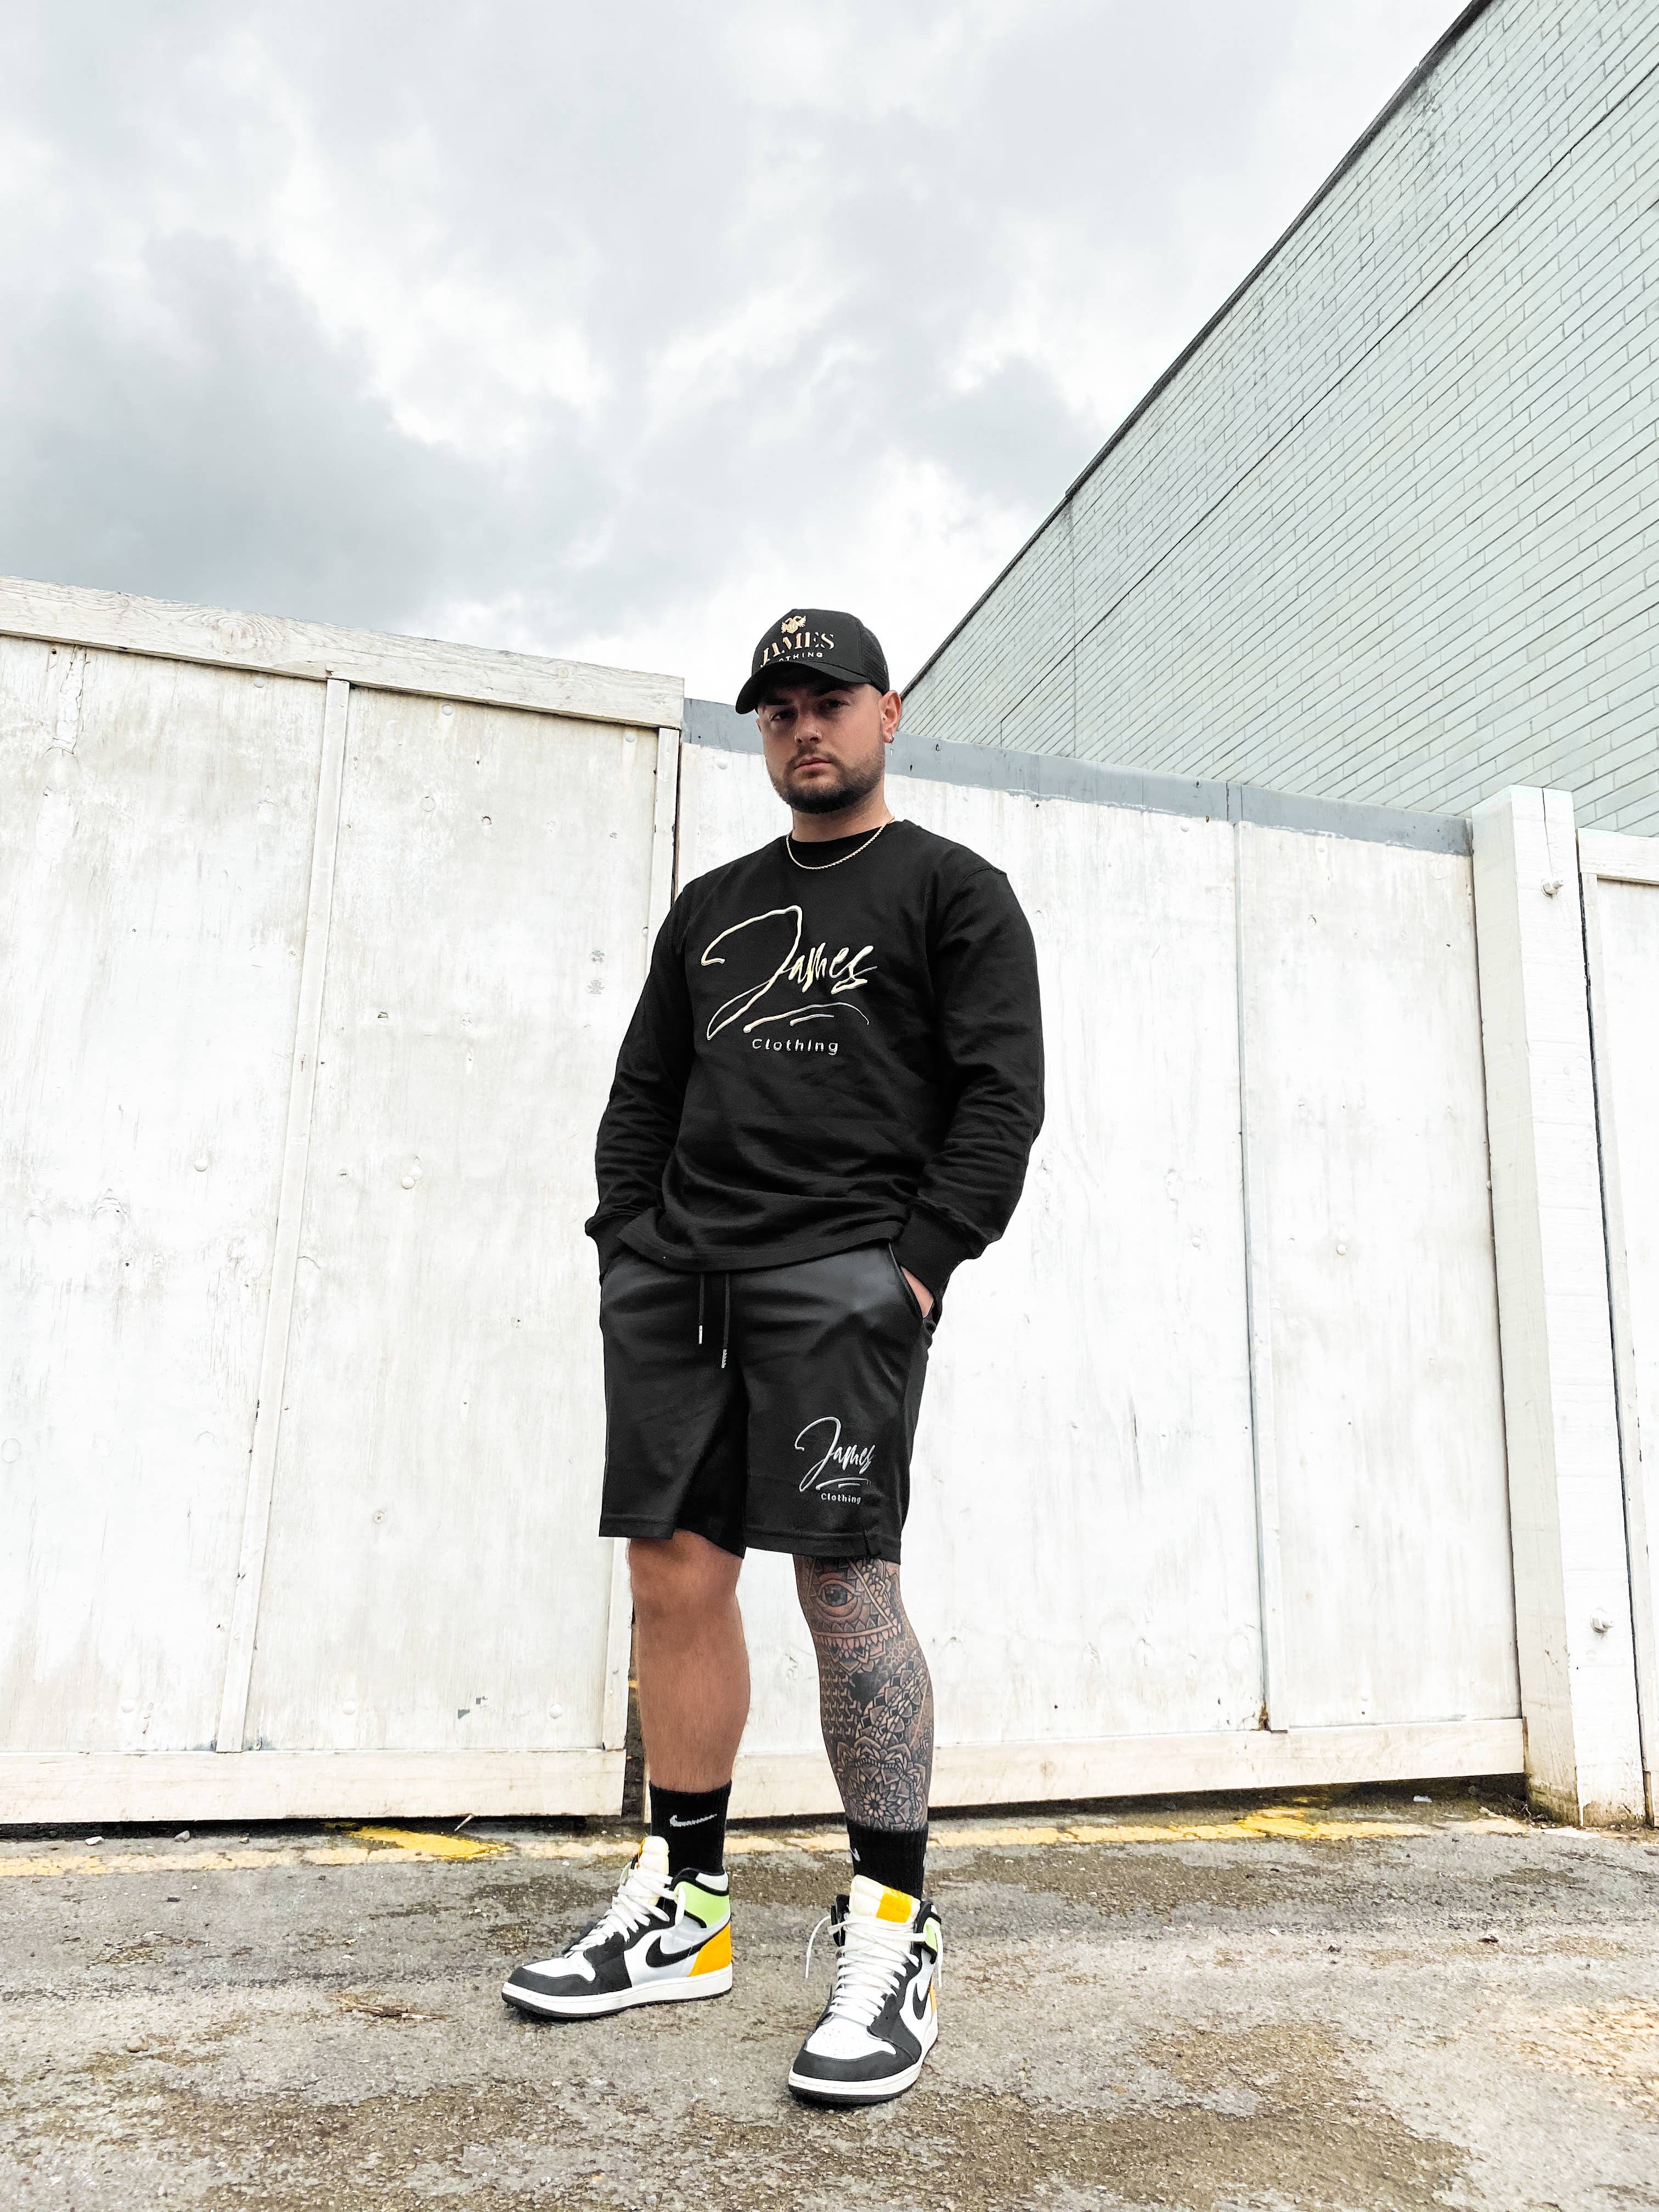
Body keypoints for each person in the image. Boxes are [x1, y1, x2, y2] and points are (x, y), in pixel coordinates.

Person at [503, 607, 1045, 2104]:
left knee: (844, 1584)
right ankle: (685, 1909)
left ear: (887, 713)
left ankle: (893, 1927)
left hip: (844, 1282)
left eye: (830, 701)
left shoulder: (953, 892)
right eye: (778, 708)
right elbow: (643, 1094)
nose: (804, 728)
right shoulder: (713, 907)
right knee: (674, 1573)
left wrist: (917, 1268)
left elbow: (1001, 1098)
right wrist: (628, 1248)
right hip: (682, 1285)